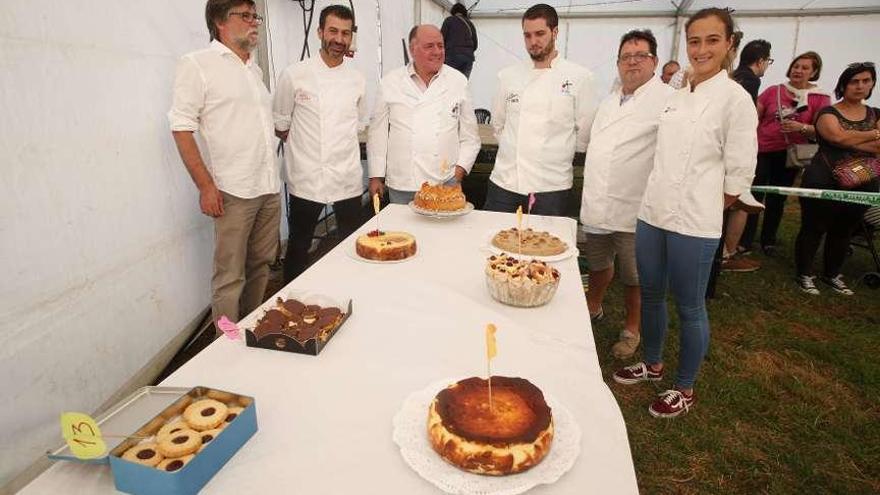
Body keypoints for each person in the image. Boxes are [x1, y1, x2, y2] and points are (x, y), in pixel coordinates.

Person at [612, 8, 757, 418]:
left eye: (712, 40)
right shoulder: (676, 93)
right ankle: (655, 365)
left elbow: (740, 171)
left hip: (695, 221)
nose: (702, 49)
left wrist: (710, 207)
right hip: (653, 213)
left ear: (730, 44)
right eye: (695, 40)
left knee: (690, 305)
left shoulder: (736, 100)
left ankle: (685, 387)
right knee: (653, 295)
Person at [168, 0, 280, 334]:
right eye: (244, 16)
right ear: (220, 21)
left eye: (254, 16)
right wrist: (206, 186)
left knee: (261, 266)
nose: (253, 22)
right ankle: (225, 347)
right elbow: (181, 127)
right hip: (233, 190)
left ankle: (251, 333)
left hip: (267, 187)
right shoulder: (198, 65)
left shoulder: (253, 69)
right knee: (230, 277)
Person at [580, 29, 673, 359]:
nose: (632, 62)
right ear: (618, 63)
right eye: (626, 56)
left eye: (640, 55)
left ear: (654, 61)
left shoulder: (666, 101)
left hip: (636, 206)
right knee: (598, 263)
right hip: (598, 201)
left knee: (636, 275)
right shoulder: (609, 100)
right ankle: (594, 305)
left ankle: (632, 328)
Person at [273, 5, 366, 283]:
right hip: (306, 178)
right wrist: (307, 149)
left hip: (346, 177)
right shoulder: (294, 74)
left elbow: (357, 125)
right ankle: (292, 301)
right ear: (320, 32)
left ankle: (352, 292)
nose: (339, 39)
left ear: (351, 38)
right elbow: (281, 123)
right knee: (299, 248)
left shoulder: (357, 80)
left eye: (346, 33)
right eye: (333, 31)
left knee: (351, 245)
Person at [485, 3, 596, 216]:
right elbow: (498, 126)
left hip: (551, 188)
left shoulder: (580, 77)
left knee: (546, 246)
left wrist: (554, 155)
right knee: (496, 243)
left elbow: (584, 134)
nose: (533, 42)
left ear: (555, 32)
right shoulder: (507, 76)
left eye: (540, 34)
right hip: (504, 183)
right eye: (527, 36)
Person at [367, 25, 480, 205]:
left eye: (440, 46)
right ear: (412, 50)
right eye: (429, 46)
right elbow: (377, 134)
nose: (437, 52)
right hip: (403, 184)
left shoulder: (458, 81)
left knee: (442, 233)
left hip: (445, 183)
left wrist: (458, 173)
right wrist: (375, 176)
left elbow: (471, 137)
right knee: (402, 232)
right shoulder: (390, 82)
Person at [794, 62, 879, 296]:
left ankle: (832, 274)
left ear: (872, 84)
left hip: (864, 177)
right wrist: (871, 134)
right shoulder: (828, 112)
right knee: (814, 227)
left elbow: (852, 140)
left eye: (866, 81)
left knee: (845, 229)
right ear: (844, 84)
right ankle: (804, 273)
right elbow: (837, 138)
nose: (860, 86)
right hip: (823, 176)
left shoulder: (876, 113)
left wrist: (851, 137)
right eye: (854, 81)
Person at [741, 52, 832, 257]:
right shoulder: (774, 91)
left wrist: (802, 127)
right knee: (754, 194)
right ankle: (744, 240)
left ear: (814, 72)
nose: (798, 70)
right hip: (763, 149)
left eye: (804, 67)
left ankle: (768, 240)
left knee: (777, 198)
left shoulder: (820, 98)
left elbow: (824, 129)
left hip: (792, 153)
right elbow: (753, 115)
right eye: (796, 66)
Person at [719, 39, 772, 273]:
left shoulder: (731, 77)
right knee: (738, 202)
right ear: (760, 61)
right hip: (733, 153)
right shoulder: (749, 81)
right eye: (768, 61)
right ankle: (727, 253)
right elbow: (744, 124)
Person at [441, 3, 478, 78]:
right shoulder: (470, 24)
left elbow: (441, 39)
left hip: (451, 56)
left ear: (453, 11)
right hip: (468, 58)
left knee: (449, 82)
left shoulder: (449, 20)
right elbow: (475, 44)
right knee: (462, 84)